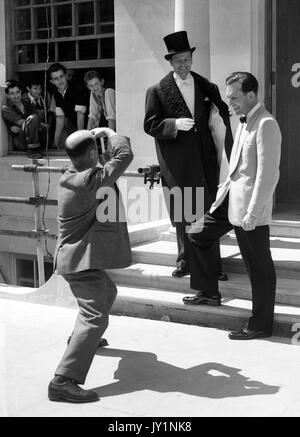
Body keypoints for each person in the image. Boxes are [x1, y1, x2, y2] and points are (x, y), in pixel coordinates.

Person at [183, 72, 282, 340]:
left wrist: (253, 212)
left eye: (235, 97)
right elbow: (236, 167)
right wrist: (220, 194)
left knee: (258, 267)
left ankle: (260, 325)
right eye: (228, 98)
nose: (231, 103)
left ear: (252, 95)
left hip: (250, 210)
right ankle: (209, 292)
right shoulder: (242, 122)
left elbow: (268, 175)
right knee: (196, 233)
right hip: (228, 201)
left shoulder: (266, 124)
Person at [48, 127, 133, 403]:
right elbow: (124, 156)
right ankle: (63, 380)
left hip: (79, 256)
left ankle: (82, 340)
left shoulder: (72, 174)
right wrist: (110, 131)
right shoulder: (90, 180)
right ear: (93, 153)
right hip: (78, 261)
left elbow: (102, 164)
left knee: (108, 293)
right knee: (95, 315)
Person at [144, 31, 232, 280]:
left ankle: (214, 266)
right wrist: (173, 124)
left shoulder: (207, 86)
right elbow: (150, 124)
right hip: (177, 162)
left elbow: (223, 114)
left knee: (208, 212)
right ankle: (185, 261)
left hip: (205, 160)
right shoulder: (158, 91)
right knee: (183, 212)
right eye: (178, 61)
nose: (183, 65)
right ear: (170, 62)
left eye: (187, 60)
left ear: (191, 59)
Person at [48, 63, 87, 149]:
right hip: (72, 123)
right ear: (52, 82)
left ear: (66, 76)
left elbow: (80, 114)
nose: (60, 81)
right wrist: (56, 138)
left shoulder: (77, 88)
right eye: (56, 79)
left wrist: (80, 136)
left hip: (87, 125)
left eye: (61, 76)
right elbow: (60, 116)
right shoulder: (56, 92)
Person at [1, 80, 43, 158]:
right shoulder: (6, 109)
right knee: (33, 118)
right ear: (7, 95)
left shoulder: (29, 104)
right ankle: (32, 150)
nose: (16, 96)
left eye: (17, 92)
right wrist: (33, 124)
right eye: (12, 93)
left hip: (36, 139)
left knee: (36, 121)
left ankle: (35, 148)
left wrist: (27, 126)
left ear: (21, 92)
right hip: (21, 142)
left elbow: (38, 124)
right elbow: (15, 128)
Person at [22, 77, 53, 148]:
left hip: (45, 131)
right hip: (31, 133)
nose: (39, 91)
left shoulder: (46, 96)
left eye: (40, 88)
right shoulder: (23, 99)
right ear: (28, 88)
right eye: (35, 88)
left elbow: (50, 112)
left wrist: (49, 125)